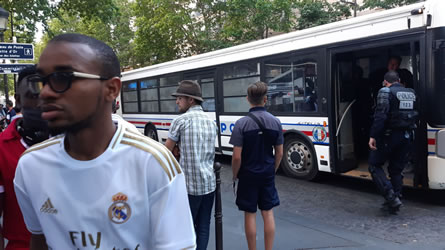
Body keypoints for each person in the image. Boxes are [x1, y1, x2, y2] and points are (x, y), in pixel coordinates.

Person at [13, 33, 195, 249]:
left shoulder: (153, 163)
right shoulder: (31, 165)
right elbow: (39, 239)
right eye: (42, 82)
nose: (45, 94)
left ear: (111, 89)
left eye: (62, 78)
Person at [0, 65, 50, 250]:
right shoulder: (1, 148)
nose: (43, 101)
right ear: (18, 101)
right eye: (34, 95)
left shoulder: (78, 142)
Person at [230, 81, 284, 250]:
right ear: (265, 99)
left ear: (248, 99)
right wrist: (272, 170)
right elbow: (280, 153)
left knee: (250, 214)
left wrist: (235, 174)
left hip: (247, 174)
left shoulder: (241, 124)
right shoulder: (275, 122)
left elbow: (237, 157)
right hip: (267, 173)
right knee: (268, 213)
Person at [165, 80, 218, 250]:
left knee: (185, 230)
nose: (177, 102)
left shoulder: (180, 121)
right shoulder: (211, 122)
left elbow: (165, 153)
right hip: (209, 184)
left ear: (190, 100)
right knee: (203, 227)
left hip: (188, 186)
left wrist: (176, 150)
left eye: (179, 98)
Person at [368, 71, 418, 214]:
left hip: (389, 136)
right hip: (407, 136)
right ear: (399, 80)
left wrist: (373, 136)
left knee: (374, 165)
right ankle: (396, 199)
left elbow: (380, 117)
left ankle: (390, 197)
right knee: (396, 169)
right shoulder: (411, 92)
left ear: (385, 82)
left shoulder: (385, 92)